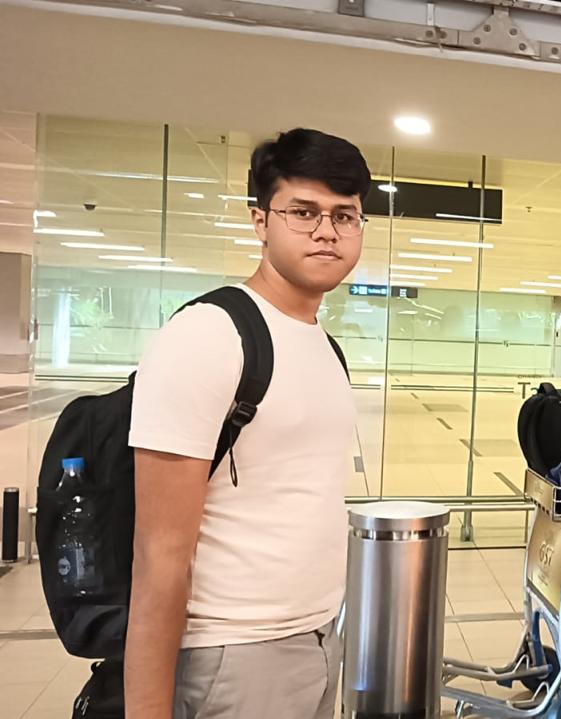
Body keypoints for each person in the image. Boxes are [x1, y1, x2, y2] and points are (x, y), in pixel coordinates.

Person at [125, 128, 370, 718]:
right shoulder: (209, 334)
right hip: (234, 651)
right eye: (303, 212)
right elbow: (159, 556)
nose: (327, 231)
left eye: (345, 215)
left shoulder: (323, 345)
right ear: (260, 221)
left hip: (317, 637)